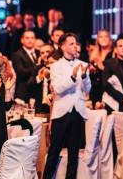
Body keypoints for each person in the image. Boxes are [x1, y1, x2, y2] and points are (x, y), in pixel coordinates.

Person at [43, 33, 91, 179]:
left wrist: (84, 76)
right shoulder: (56, 66)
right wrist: (72, 77)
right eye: (71, 43)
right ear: (62, 46)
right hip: (61, 112)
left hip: (78, 111)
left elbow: (87, 90)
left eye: (75, 43)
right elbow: (57, 88)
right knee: (54, 150)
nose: (74, 46)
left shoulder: (82, 64)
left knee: (73, 152)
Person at [11, 29, 41, 106]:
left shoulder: (40, 53)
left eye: (32, 38)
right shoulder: (17, 54)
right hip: (23, 93)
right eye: (27, 38)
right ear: (22, 40)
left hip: (38, 93)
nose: (30, 40)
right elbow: (21, 72)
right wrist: (37, 67)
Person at [87, 29, 113, 109]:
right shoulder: (93, 55)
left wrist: (101, 67)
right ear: (98, 39)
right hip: (95, 92)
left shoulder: (114, 54)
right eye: (101, 37)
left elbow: (115, 75)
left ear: (110, 39)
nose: (104, 39)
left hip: (110, 93)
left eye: (106, 36)